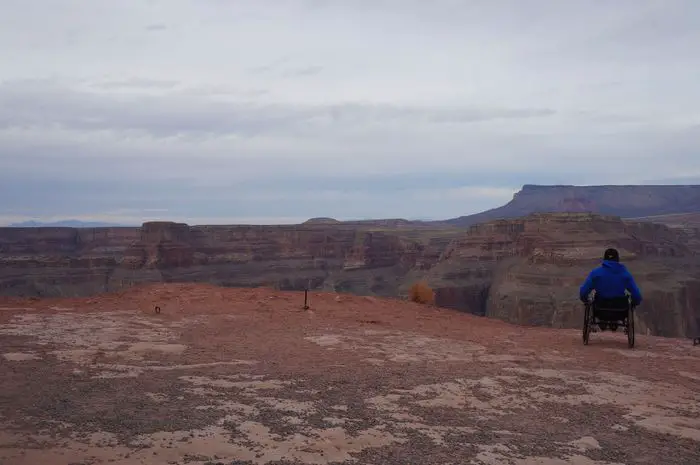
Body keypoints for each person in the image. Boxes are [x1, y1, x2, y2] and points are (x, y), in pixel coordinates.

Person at [579, 248, 642, 331]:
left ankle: (603, 322)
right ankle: (614, 324)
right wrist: (634, 303)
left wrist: (585, 300)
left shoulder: (596, 273)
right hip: (621, 310)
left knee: (596, 299)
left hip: (599, 309)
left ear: (604, 259)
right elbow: (637, 295)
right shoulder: (625, 274)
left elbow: (584, 291)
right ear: (618, 259)